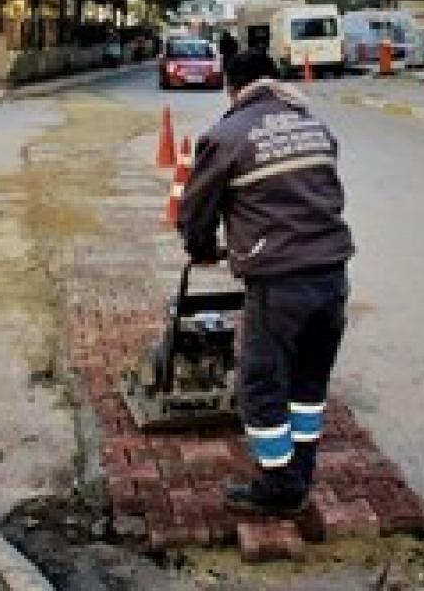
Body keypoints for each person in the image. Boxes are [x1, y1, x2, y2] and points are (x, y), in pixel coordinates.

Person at [176, 49, 354, 516]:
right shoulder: (314, 126)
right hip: (332, 274)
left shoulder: (226, 135)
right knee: (308, 382)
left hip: (279, 282)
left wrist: (201, 249)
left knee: (260, 384)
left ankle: (279, 487)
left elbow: (195, 212)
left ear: (232, 89)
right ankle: (300, 472)